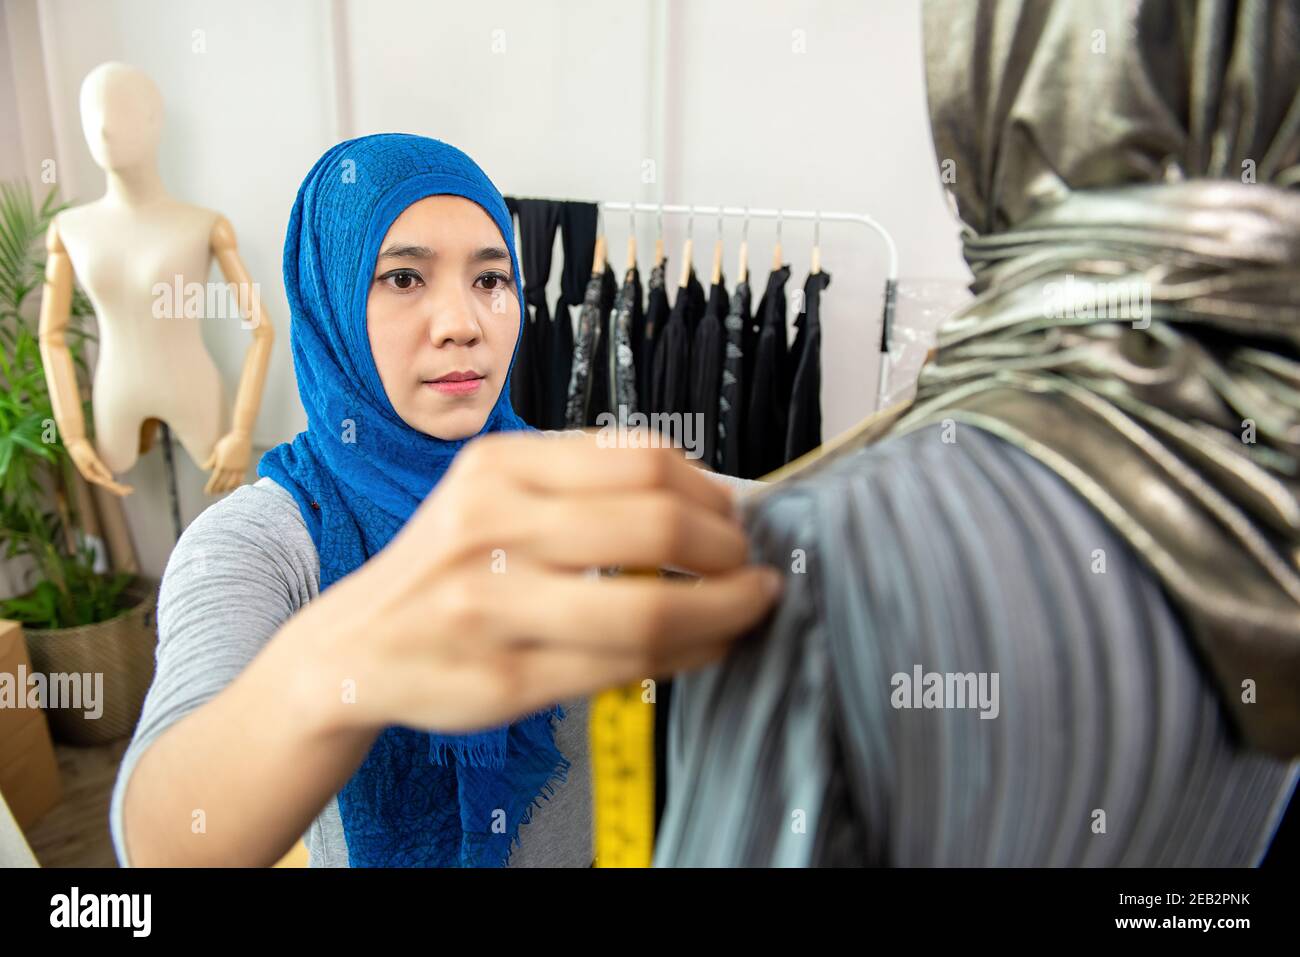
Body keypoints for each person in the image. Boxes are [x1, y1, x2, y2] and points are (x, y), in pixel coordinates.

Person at [110, 133, 781, 867]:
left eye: (491, 280)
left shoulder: (574, 481)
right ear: (329, 298)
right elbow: (165, 840)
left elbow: (792, 524)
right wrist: (352, 655)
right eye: (403, 278)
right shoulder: (256, 541)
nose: (464, 322)